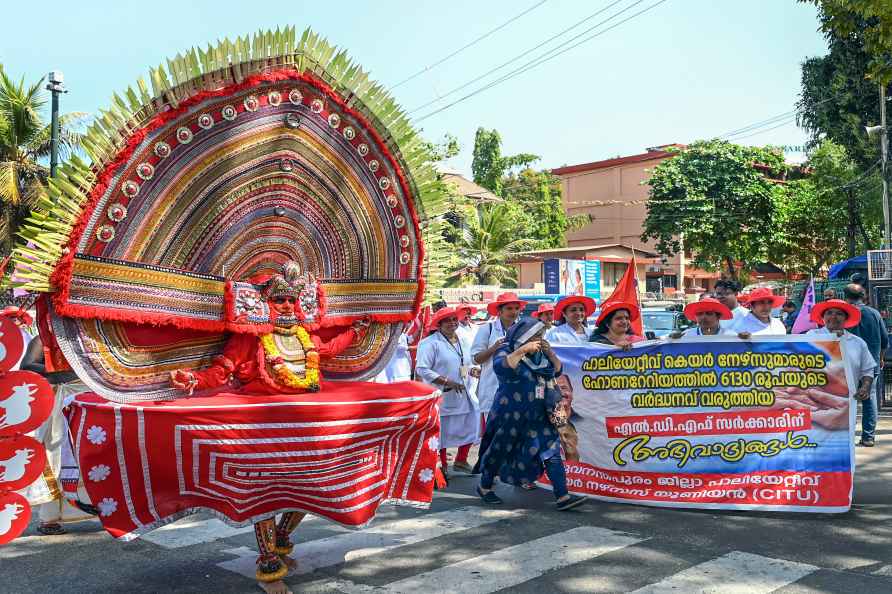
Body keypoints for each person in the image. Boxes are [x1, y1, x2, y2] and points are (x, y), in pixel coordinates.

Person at [170, 261, 369, 592]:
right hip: (263, 430)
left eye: (292, 300)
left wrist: (357, 331)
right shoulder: (250, 338)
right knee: (266, 496)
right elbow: (224, 370)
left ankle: (282, 536)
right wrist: (194, 379)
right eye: (280, 300)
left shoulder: (305, 337)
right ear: (264, 303)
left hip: (306, 429)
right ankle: (269, 566)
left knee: (311, 488)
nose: (288, 306)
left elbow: (329, 349)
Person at [475, 317, 586, 511]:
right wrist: (522, 350)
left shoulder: (541, 355)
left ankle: (562, 496)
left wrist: (550, 352)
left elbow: (557, 371)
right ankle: (485, 487)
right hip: (510, 415)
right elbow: (502, 368)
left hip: (540, 414)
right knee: (499, 451)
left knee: (551, 452)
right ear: (523, 336)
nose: (539, 339)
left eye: (540, 335)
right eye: (535, 335)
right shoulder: (507, 350)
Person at [19, 335, 95, 535]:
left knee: (87, 457)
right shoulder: (42, 339)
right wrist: (59, 374)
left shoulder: (82, 336)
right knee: (55, 459)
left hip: (82, 401)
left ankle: (100, 509)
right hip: (54, 405)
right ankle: (48, 520)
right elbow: (26, 365)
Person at [415, 307, 481, 476]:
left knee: (471, 425)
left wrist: (472, 370)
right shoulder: (430, 343)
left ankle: (461, 459)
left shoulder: (463, 339)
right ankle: (442, 465)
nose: (452, 323)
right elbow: (422, 369)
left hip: (465, 391)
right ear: (439, 324)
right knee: (443, 432)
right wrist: (446, 381)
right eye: (448, 320)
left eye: (454, 319)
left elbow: (465, 361)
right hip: (443, 394)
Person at [803, 299, 875, 431]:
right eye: (829, 313)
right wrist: (752, 342)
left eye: (839, 313)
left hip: (845, 405)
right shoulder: (811, 336)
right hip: (813, 402)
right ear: (823, 317)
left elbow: (867, 370)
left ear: (846, 318)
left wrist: (865, 387)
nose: (833, 317)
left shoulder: (857, 343)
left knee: (844, 443)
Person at [843, 284, 888, 447]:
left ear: (845, 296)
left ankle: (843, 435)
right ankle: (868, 437)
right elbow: (885, 341)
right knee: (869, 399)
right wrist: (881, 358)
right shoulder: (874, 313)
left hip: (847, 364)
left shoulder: (843, 314)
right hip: (871, 363)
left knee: (845, 399)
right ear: (864, 296)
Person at [471, 292, 527, 418]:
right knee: (493, 434)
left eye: (517, 308)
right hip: (492, 387)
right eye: (509, 308)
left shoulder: (523, 330)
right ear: (499, 311)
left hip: (519, 388)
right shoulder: (487, 329)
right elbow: (475, 359)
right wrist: (494, 348)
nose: (514, 312)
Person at [668, 298, 743, 338]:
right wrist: (671, 339)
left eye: (709, 313)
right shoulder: (687, 335)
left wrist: (746, 340)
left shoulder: (730, 336)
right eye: (699, 314)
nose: (703, 317)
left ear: (718, 316)